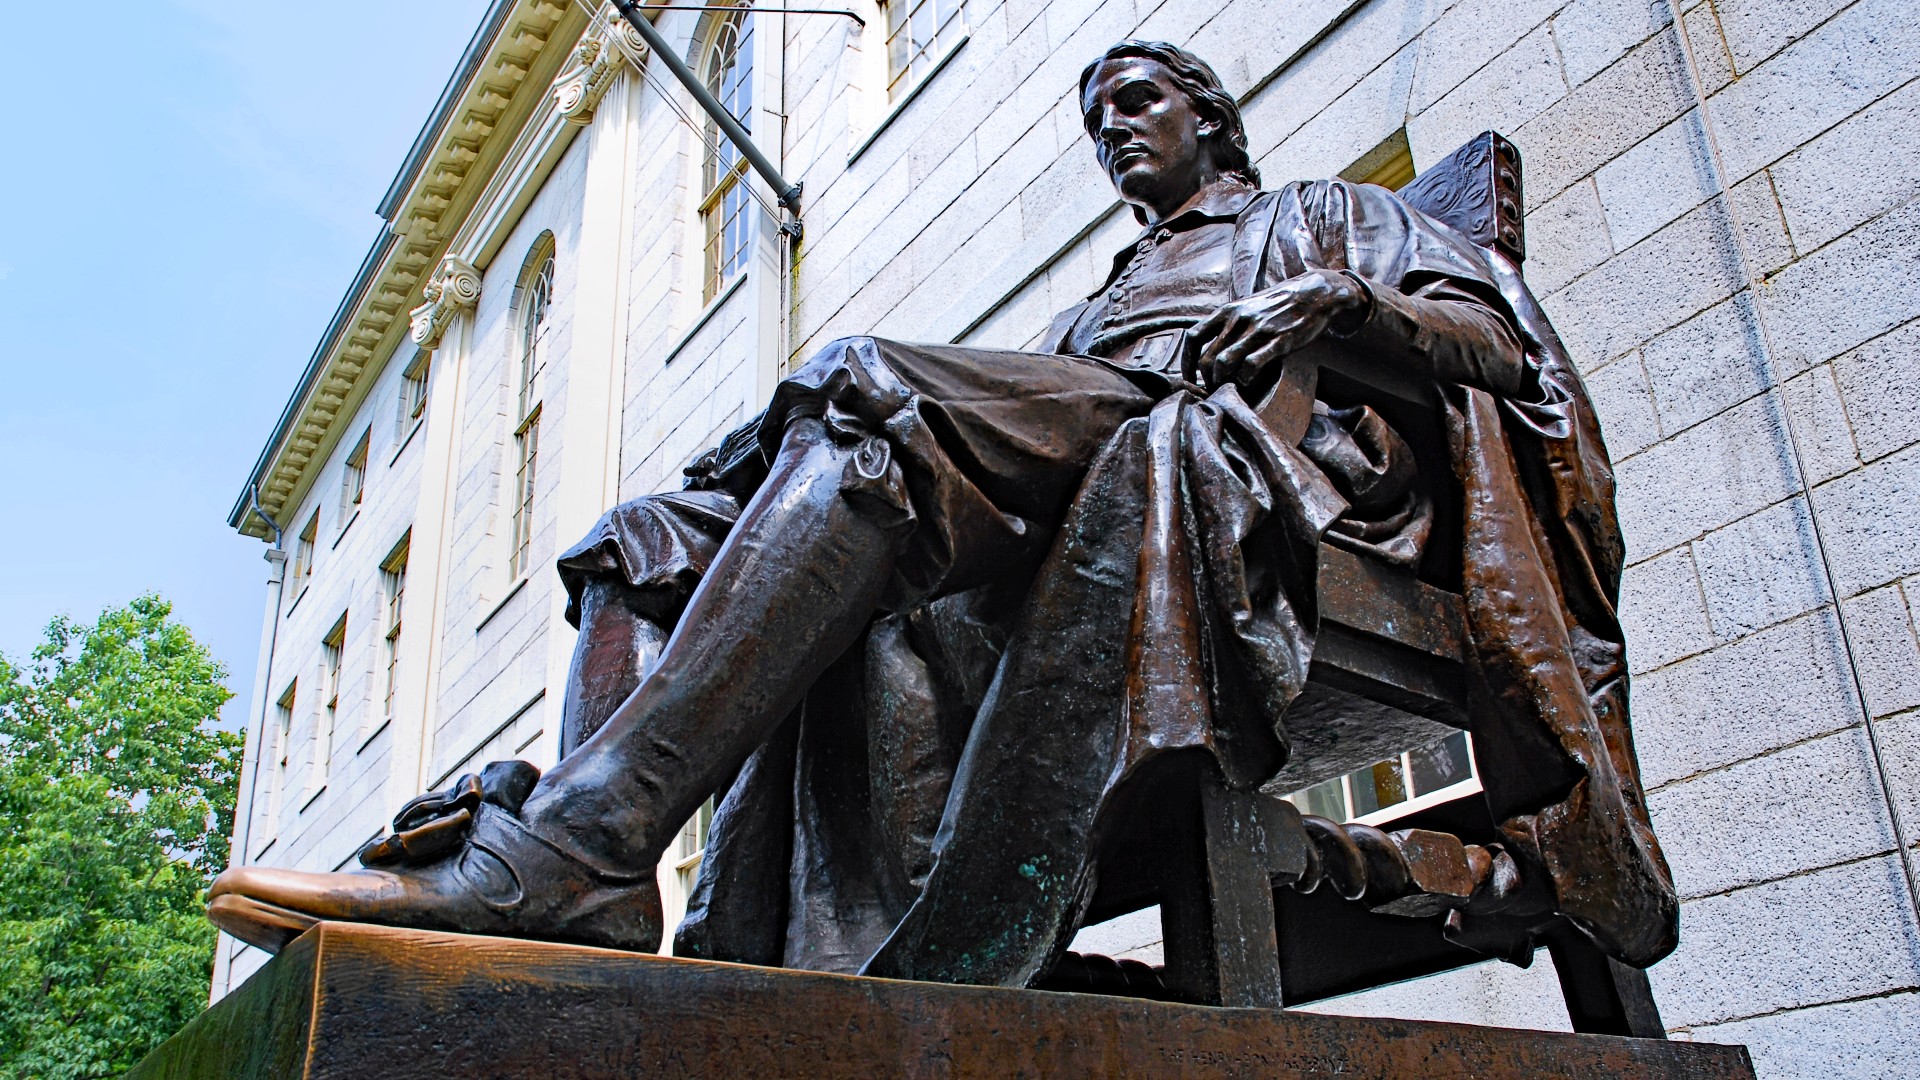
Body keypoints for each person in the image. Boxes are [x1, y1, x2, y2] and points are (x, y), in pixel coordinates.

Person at [210, 41, 1676, 987]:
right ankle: (600, 894)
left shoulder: (1322, 217)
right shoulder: (1092, 307)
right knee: (646, 536)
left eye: (1138, 105)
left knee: (868, 387)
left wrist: (1342, 299)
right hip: (1091, 478)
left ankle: (575, 847)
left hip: (1245, 476)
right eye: (1097, 121)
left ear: (1212, 116)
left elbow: (1504, 355)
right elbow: (1024, 425)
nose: (1115, 135)